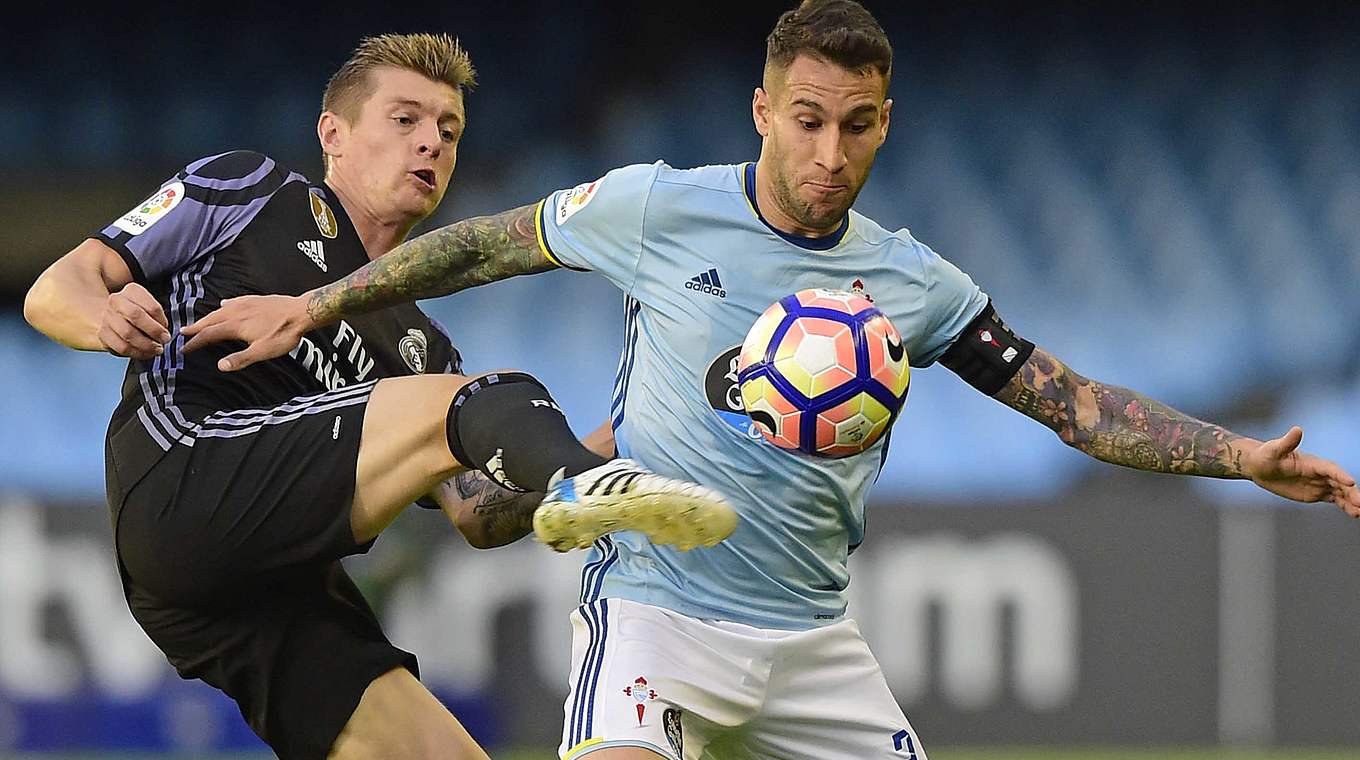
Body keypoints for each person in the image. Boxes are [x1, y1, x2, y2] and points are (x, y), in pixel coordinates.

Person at [177, 3, 1360, 759]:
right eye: (804, 120)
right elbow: (486, 242)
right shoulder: (654, 204)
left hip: (810, 642)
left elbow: (1075, 404)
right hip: (653, 611)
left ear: (884, 125)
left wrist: (1240, 459)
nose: (826, 153)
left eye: (854, 126)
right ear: (761, 111)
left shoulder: (917, 286)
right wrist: (320, 302)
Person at [22, 32, 736, 760]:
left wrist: (612, 437)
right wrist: (104, 315)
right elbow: (57, 289)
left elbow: (477, 517)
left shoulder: (421, 341)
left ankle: (592, 475)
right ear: (334, 133)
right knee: (479, 396)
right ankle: (594, 487)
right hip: (183, 480)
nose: (431, 143)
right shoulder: (249, 190)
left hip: (267, 589)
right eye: (406, 120)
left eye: (448, 131)